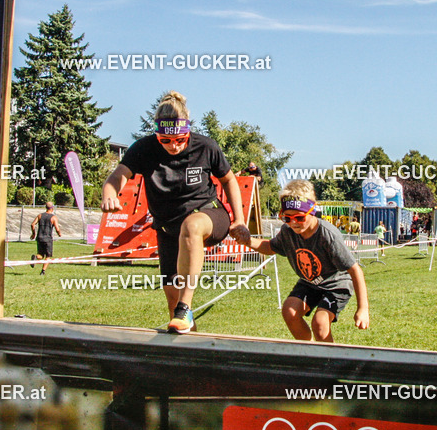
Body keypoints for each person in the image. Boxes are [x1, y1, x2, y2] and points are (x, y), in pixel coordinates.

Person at [101, 91, 249, 333]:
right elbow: (117, 177)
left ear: (188, 130)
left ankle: (186, 305)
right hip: (168, 227)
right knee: (172, 303)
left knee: (191, 226)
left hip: (209, 214)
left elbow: (230, 180)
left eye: (180, 139)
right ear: (157, 134)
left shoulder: (206, 146)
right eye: (166, 141)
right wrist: (109, 194)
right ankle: (187, 342)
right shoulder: (143, 148)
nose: (174, 145)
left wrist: (239, 220)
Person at [236, 180, 369, 342]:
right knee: (289, 311)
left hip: (336, 285)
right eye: (287, 218)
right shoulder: (287, 232)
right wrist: (248, 241)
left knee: (320, 323)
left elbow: (355, 270)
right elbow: (270, 247)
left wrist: (363, 308)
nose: (293, 223)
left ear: (312, 212)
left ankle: (331, 361)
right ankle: (309, 352)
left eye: (299, 217)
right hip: (309, 283)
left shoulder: (328, 235)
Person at [30, 202, 61, 275]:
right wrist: (59, 234)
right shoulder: (53, 217)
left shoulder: (40, 215)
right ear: (52, 208)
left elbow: (32, 224)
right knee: (48, 256)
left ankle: (36, 257)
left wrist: (33, 233)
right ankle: (43, 271)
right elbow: (57, 228)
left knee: (40, 255)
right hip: (48, 239)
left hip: (39, 237)